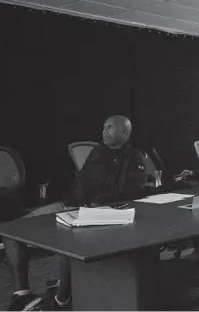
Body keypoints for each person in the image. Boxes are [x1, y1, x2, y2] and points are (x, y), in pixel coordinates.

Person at [3, 115, 146, 311]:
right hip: (68, 205)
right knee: (11, 232)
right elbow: (81, 185)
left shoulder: (135, 158)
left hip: (94, 212)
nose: (104, 131)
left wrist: (94, 205)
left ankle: (62, 299)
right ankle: (22, 295)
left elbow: (131, 193)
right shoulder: (97, 151)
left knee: (68, 246)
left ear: (125, 132)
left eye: (110, 128)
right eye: (104, 127)